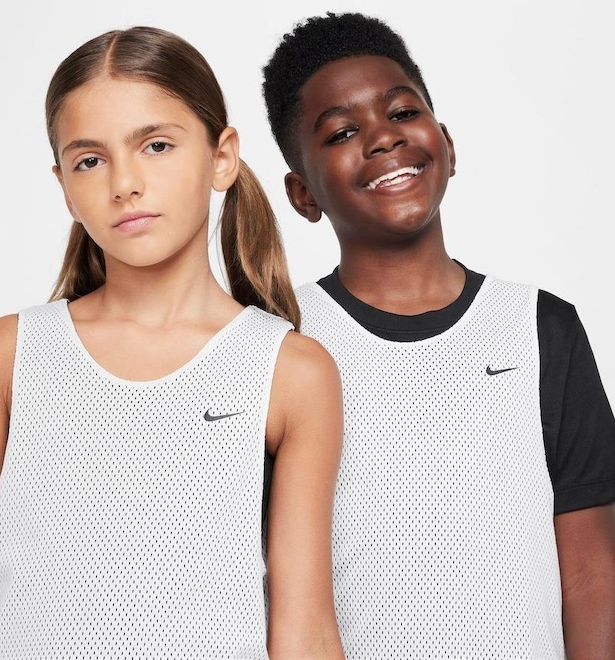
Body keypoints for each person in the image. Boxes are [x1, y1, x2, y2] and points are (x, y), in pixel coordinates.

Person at [0, 25, 346, 659]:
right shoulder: (8, 355)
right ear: (63, 186)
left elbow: (304, 631)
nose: (125, 183)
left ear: (221, 157)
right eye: (90, 160)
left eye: (156, 145)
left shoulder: (290, 371)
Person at [262, 11, 615, 659]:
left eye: (402, 113)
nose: (382, 138)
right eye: (342, 132)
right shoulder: (279, 344)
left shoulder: (541, 328)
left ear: (446, 144)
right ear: (302, 193)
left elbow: (591, 574)